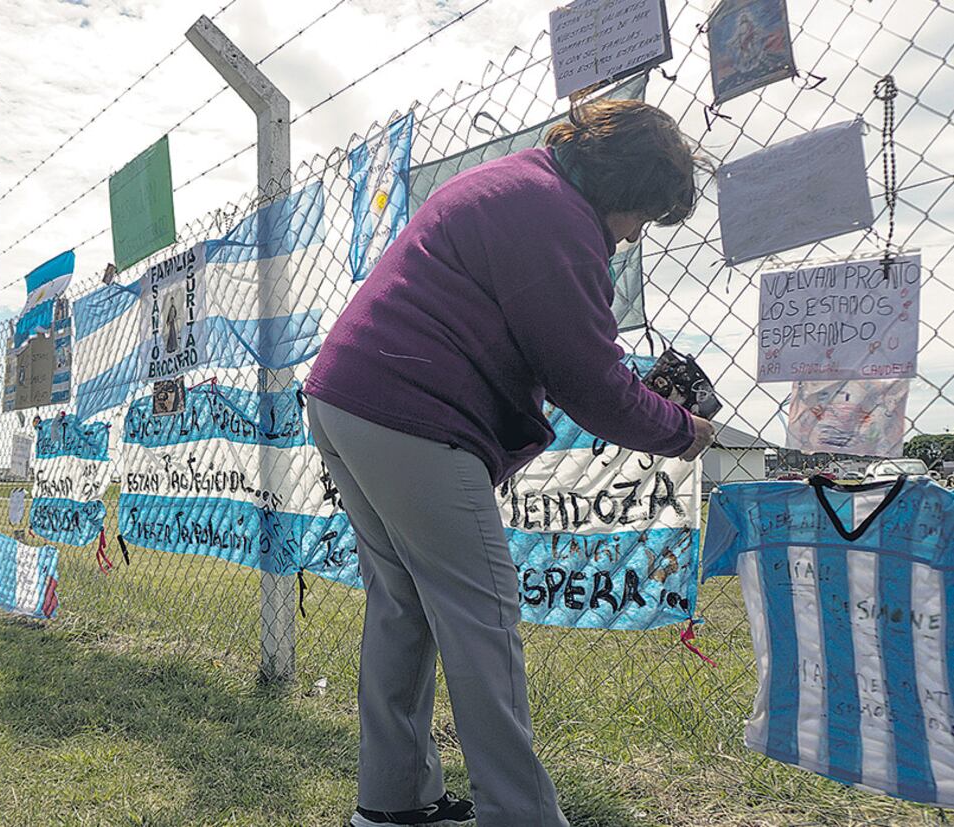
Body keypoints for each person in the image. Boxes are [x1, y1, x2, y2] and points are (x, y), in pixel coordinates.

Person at [303, 98, 715, 827]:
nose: (628, 239)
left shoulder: (513, 182)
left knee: (403, 608)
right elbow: (588, 381)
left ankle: (393, 801)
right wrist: (683, 431)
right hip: (412, 413)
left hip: (349, 398)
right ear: (623, 189)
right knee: (481, 617)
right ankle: (518, 814)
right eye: (641, 218)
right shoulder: (558, 217)